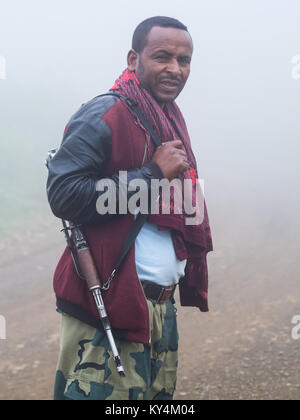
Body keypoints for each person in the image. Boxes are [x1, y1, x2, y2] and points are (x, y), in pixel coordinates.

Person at [46, 16, 213, 401]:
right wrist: (153, 173)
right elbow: (65, 195)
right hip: (109, 305)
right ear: (134, 58)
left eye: (184, 60)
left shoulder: (169, 119)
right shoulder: (106, 112)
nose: (175, 68)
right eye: (162, 57)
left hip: (158, 308)